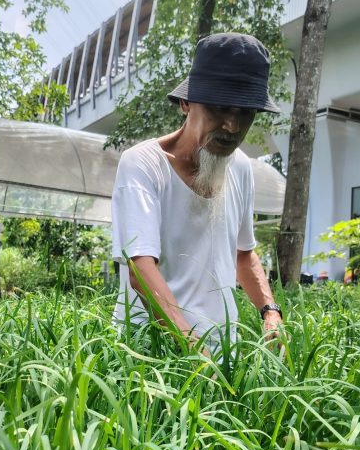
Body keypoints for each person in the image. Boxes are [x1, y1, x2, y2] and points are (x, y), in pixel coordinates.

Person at [111, 32, 283, 354]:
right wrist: (195, 352)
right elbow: (140, 268)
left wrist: (270, 310)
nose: (232, 126)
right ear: (187, 102)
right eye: (220, 107)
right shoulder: (143, 165)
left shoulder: (241, 168)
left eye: (245, 112)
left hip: (222, 350)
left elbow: (242, 254)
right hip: (149, 350)